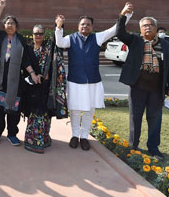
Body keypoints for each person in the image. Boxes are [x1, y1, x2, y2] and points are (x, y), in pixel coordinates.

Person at [55, 8, 131, 151]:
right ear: (78, 26)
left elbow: (115, 29)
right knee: (75, 110)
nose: (85, 26)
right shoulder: (71, 38)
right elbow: (59, 43)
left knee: (89, 111)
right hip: (75, 81)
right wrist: (59, 26)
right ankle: (74, 135)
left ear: (92, 27)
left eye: (88, 24)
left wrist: (124, 14)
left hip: (92, 82)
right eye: (82, 24)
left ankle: (84, 137)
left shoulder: (97, 37)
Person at [116, 2, 169, 160]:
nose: (147, 28)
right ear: (140, 29)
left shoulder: (167, 45)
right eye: (144, 26)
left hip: (157, 89)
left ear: (156, 28)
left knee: (155, 118)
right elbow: (120, 33)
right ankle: (133, 146)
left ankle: (153, 148)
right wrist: (123, 15)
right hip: (137, 87)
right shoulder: (135, 41)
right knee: (135, 117)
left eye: (150, 25)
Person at [0, 0, 42, 146]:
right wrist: (1, 7)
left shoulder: (21, 41)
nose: (10, 25)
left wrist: (32, 73)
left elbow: (26, 60)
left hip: (15, 81)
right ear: (4, 26)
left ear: (17, 27)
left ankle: (12, 134)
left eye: (12, 23)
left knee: (14, 109)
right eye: (7, 23)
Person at [22, 24, 68, 153]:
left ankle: (44, 139)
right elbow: (25, 62)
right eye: (36, 33)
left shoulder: (49, 47)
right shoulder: (29, 48)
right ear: (32, 34)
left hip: (46, 88)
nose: (38, 36)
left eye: (41, 33)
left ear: (44, 35)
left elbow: (56, 41)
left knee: (45, 114)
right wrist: (33, 74)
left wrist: (59, 25)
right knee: (35, 114)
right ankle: (33, 141)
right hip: (32, 87)